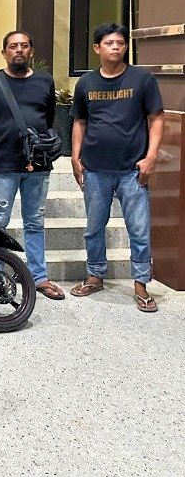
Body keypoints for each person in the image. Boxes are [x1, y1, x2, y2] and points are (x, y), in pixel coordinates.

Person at [69, 23, 164, 312]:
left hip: (132, 170)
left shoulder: (142, 79)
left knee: (138, 229)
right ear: (97, 48)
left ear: (126, 47)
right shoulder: (86, 83)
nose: (115, 47)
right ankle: (95, 275)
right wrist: (75, 155)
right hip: (95, 168)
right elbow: (79, 121)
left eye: (120, 43)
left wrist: (151, 157)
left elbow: (156, 118)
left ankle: (141, 285)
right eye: (109, 43)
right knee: (94, 227)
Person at [0, 30, 64, 300]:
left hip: (38, 164)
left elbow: (48, 120)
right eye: (13, 46)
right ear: (4, 53)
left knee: (34, 221)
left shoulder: (45, 81)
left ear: (31, 51)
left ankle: (39, 277)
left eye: (24, 45)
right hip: (2, 165)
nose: (19, 50)